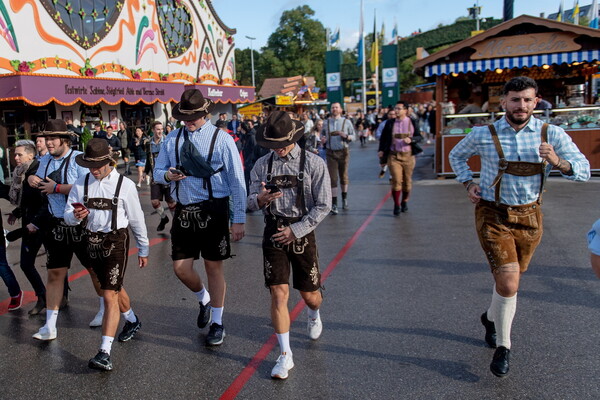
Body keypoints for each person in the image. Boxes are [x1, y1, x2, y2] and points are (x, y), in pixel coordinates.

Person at [449, 76, 590, 378]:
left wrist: (559, 162)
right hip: (493, 214)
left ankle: (490, 318)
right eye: (515, 99)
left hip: (529, 217)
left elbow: (584, 171)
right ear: (503, 102)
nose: (521, 105)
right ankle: (504, 346)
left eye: (527, 99)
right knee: (510, 283)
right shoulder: (483, 133)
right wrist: (468, 182)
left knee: (507, 284)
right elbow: (456, 154)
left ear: (536, 101)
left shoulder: (551, 133)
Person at [154, 89, 246, 346]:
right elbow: (157, 171)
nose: (188, 121)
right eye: (184, 116)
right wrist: (168, 176)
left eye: (193, 116)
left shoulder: (222, 139)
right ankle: (203, 298)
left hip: (213, 208)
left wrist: (238, 218)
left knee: (213, 267)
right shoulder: (171, 139)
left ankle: (217, 322)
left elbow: (237, 181)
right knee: (180, 268)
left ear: (205, 113)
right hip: (184, 210)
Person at [247, 111, 331, 380]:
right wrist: (260, 199)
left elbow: (324, 205)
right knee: (278, 293)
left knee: (310, 295)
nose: (278, 149)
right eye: (273, 144)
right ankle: (285, 355)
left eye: (282, 143)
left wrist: (296, 230)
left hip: (302, 232)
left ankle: (314, 312)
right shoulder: (261, 165)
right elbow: (248, 202)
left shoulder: (315, 164)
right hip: (273, 230)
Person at [64, 139, 149, 371]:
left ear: (108, 161)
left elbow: (136, 219)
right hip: (90, 242)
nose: (94, 169)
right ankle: (132, 320)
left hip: (115, 242)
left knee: (109, 295)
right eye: (90, 164)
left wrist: (144, 248)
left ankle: (104, 352)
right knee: (113, 287)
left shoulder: (125, 185)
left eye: (98, 164)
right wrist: (76, 216)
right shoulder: (81, 183)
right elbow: (67, 216)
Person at [28, 120, 104, 341]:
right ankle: (50, 326)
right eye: (46, 138)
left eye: (52, 138)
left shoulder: (79, 159)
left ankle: (104, 308)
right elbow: (40, 183)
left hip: (80, 223)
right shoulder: (44, 160)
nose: (48, 142)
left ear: (64, 139)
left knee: (93, 269)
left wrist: (57, 188)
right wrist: (32, 179)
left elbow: (90, 186)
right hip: (55, 224)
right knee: (55, 273)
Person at [5, 140, 47, 314]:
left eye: (19, 154)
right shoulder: (22, 173)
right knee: (26, 264)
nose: (16, 158)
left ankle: (59, 296)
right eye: (14, 154)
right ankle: (43, 297)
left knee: (54, 263)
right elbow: (27, 201)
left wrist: (35, 222)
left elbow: (46, 201)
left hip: (42, 223)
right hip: (30, 222)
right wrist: (17, 212)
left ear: (31, 155)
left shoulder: (37, 172)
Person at [378, 102, 423, 215]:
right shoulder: (390, 123)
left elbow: (419, 136)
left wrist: (411, 140)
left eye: (399, 108)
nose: (396, 111)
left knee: (407, 182)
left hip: (408, 156)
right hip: (394, 155)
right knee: (396, 180)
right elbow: (383, 138)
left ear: (406, 110)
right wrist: (381, 151)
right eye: (395, 108)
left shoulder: (412, 121)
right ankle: (396, 204)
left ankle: (404, 201)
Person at [321, 102, 355, 215]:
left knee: (344, 176)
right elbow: (322, 135)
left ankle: (344, 198)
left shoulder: (346, 122)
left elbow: (353, 136)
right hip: (331, 152)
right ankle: (334, 203)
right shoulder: (326, 122)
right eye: (333, 108)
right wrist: (323, 140)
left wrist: (345, 135)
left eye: (336, 107)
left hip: (343, 151)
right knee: (333, 178)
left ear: (340, 110)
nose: (334, 109)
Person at [145, 121, 175, 231]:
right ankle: (163, 218)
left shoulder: (167, 141)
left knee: (171, 202)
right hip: (156, 175)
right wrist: (145, 172)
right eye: (158, 129)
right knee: (154, 201)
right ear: (153, 130)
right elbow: (149, 160)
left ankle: (175, 224)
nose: (160, 131)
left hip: (167, 175)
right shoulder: (148, 144)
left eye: (161, 129)